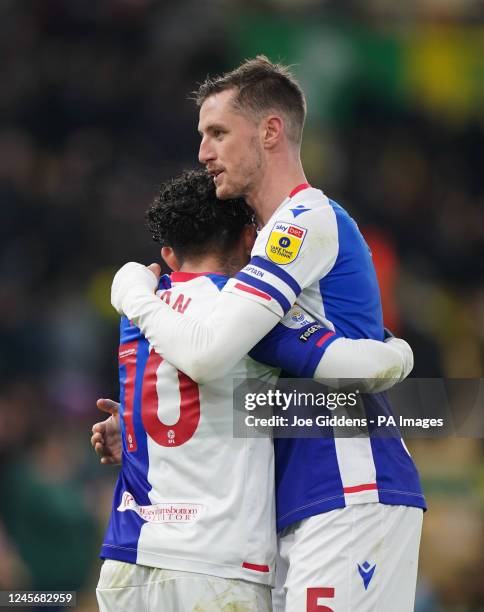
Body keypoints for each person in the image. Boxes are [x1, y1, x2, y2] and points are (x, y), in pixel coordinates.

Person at [110, 57, 425, 611]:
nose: (204, 153)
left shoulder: (303, 220)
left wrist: (134, 293)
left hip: (350, 486)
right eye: (203, 136)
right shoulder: (261, 251)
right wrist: (140, 425)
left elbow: (208, 353)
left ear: (270, 131)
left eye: (218, 133)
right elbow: (266, 378)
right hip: (297, 500)